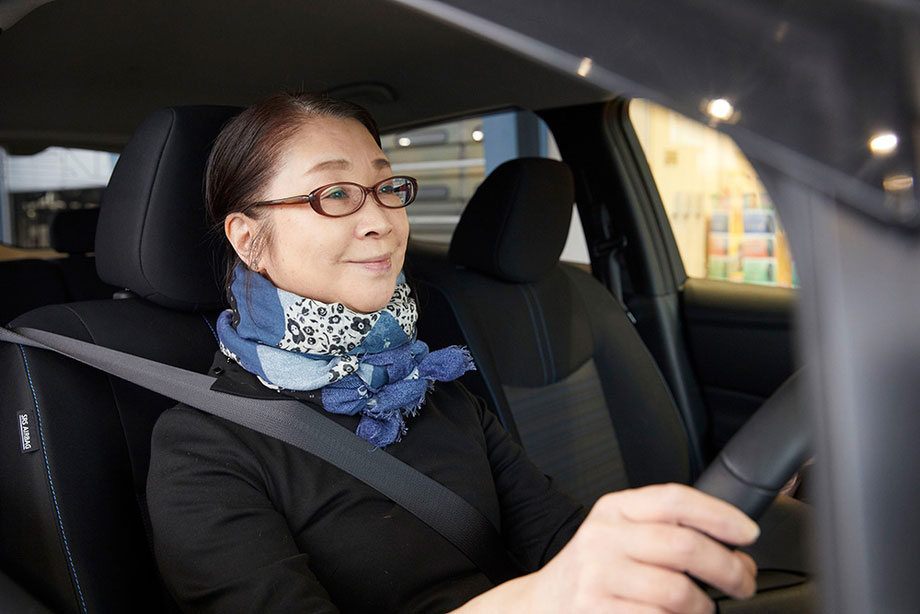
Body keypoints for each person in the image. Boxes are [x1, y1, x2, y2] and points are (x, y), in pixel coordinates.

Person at [146, 92, 759, 613]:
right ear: (248, 239)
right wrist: (538, 599)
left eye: (387, 187)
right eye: (334, 194)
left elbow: (561, 541)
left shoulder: (431, 386)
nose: (381, 220)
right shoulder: (204, 445)